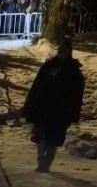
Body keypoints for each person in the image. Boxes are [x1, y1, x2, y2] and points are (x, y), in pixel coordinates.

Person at [23, 37, 84, 173]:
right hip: (43, 107)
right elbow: (37, 86)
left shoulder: (73, 71)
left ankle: (46, 164)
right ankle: (41, 162)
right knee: (41, 137)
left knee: (53, 139)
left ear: (69, 52)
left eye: (64, 50)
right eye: (60, 50)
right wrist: (31, 105)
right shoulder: (49, 66)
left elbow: (76, 95)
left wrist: (72, 113)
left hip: (60, 111)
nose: (60, 52)